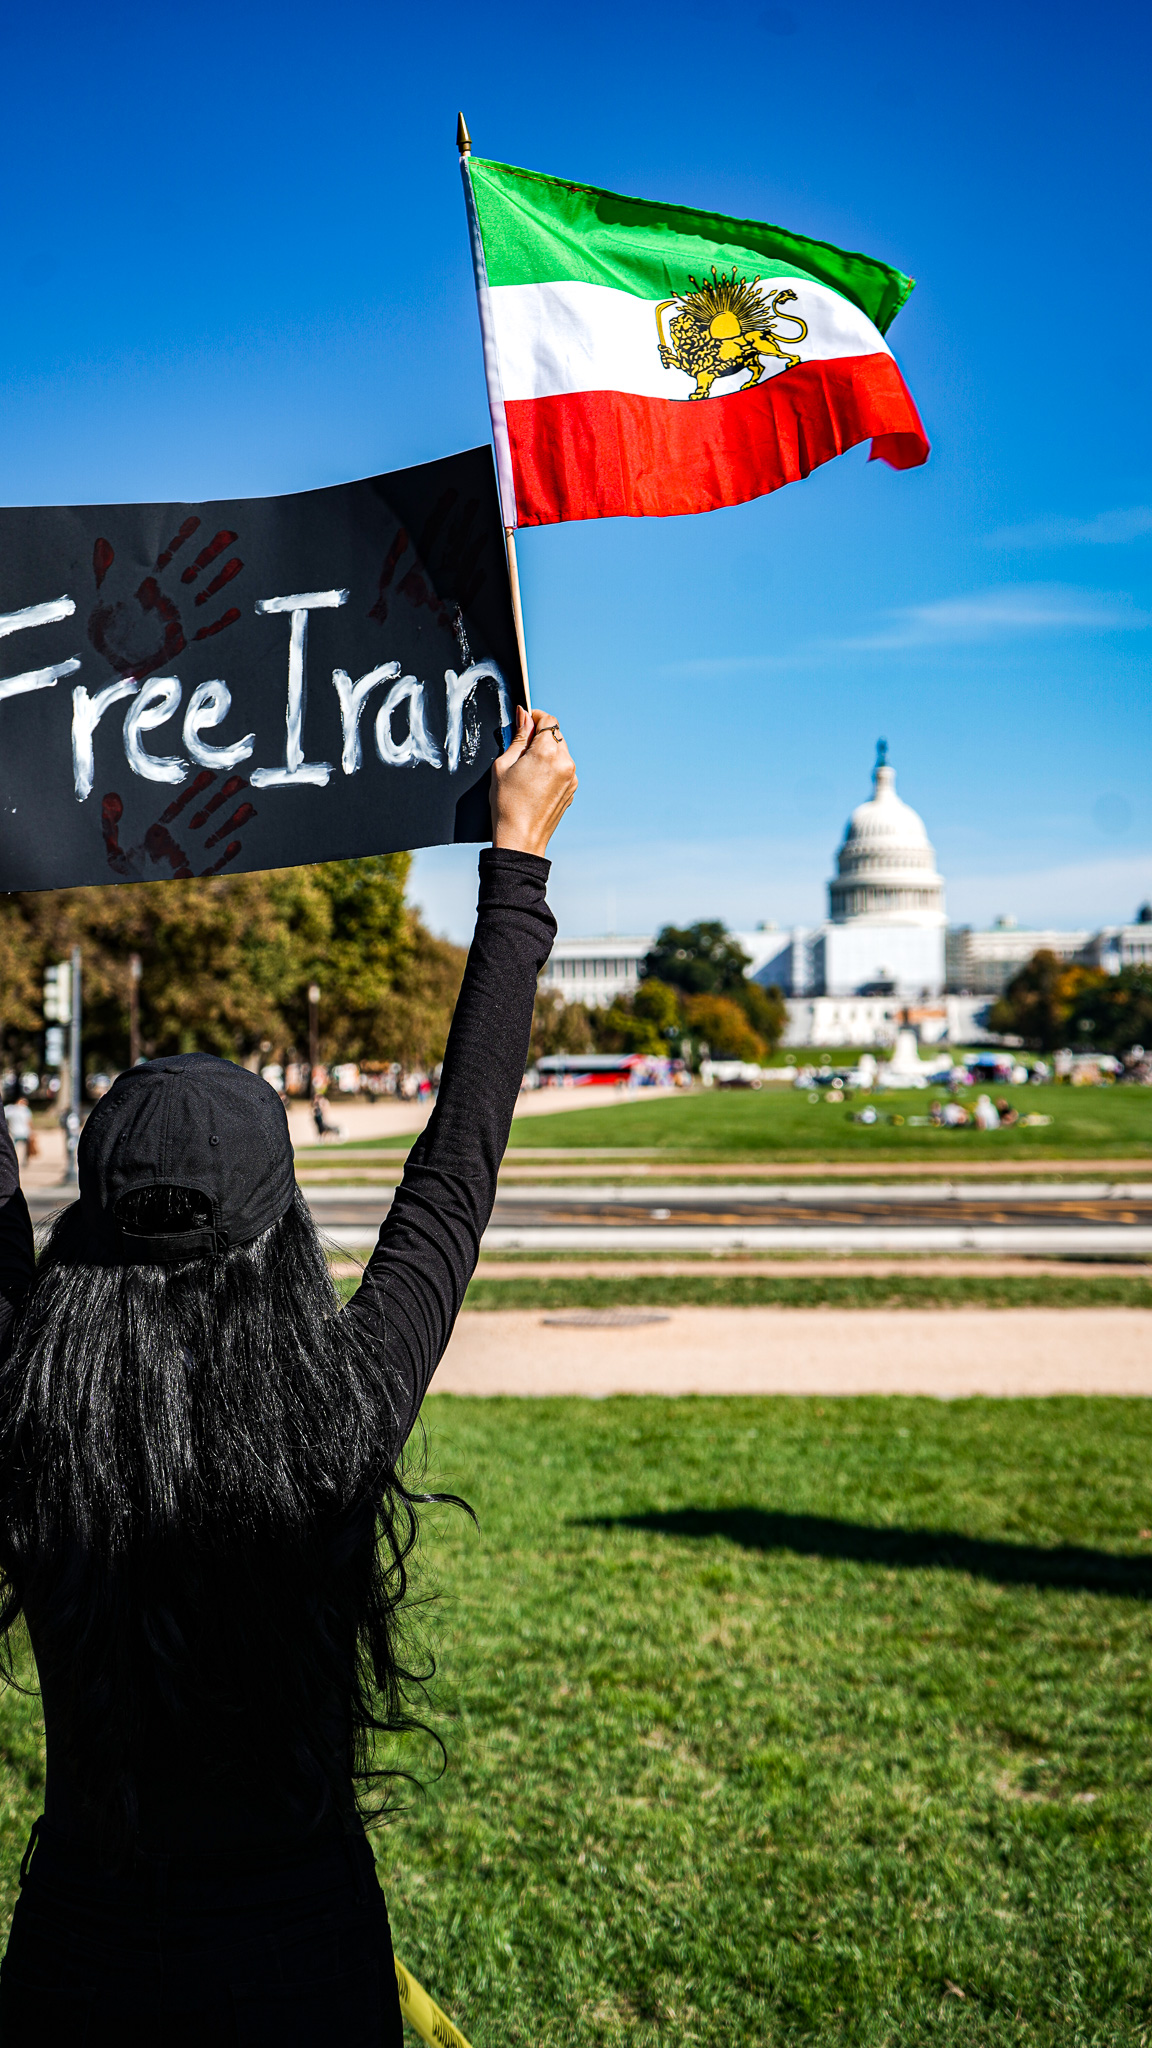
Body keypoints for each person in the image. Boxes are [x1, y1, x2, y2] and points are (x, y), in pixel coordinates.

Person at [0, 705, 577, 2046]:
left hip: (78, 1956)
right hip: (302, 1952)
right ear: (281, 1227)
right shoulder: (336, 1413)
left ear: (86, 1219)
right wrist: (517, 867)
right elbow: (456, 1170)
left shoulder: (32, 1413)